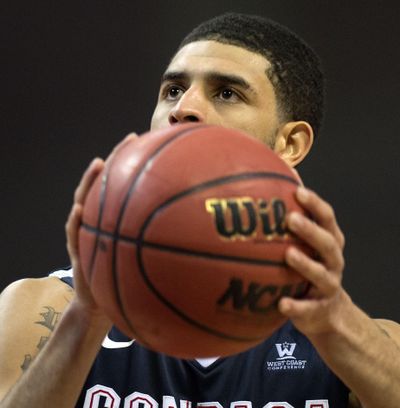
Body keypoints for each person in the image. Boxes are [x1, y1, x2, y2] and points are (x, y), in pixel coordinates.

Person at [0, 12, 399, 408]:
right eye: (173, 90)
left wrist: (335, 325)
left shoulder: (347, 345)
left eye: (227, 93)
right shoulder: (46, 309)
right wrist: (85, 323)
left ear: (290, 143)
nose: (183, 108)